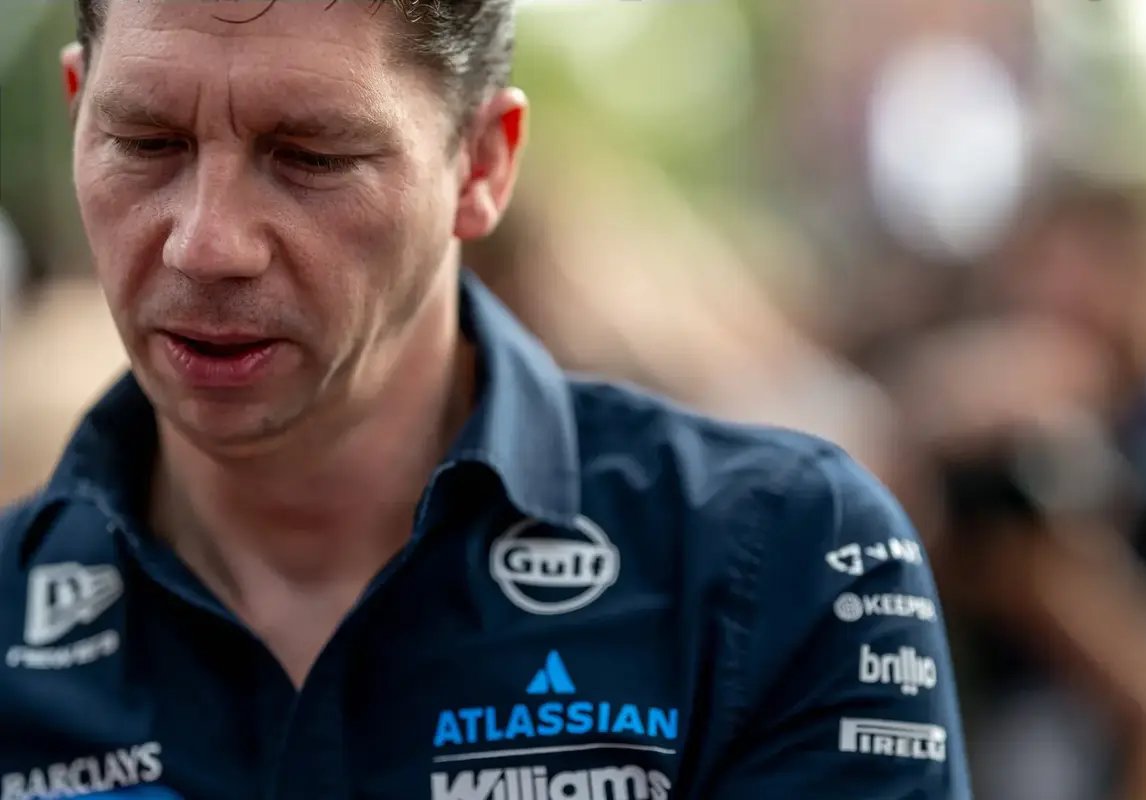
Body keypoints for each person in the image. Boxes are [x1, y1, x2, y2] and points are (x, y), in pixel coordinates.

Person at [0, 2, 972, 798]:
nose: (208, 244)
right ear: (78, 112)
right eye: (146, 141)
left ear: (483, 164)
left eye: (311, 156)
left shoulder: (784, 562)